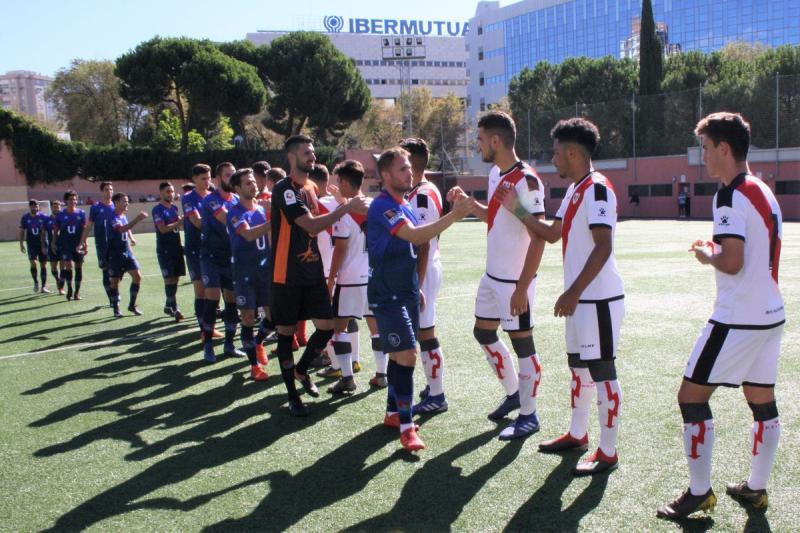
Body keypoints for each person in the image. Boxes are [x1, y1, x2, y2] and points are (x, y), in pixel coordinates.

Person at [657, 113, 784, 519]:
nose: (703, 156)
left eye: (706, 148)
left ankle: (699, 492)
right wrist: (716, 250)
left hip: (737, 318)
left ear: (724, 149)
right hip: (771, 315)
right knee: (762, 402)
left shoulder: (728, 194)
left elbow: (732, 262)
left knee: (690, 397)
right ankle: (756, 489)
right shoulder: (762, 189)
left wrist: (706, 255)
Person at [499, 117, 625, 474]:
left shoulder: (598, 189)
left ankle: (608, 452)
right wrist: (518, 209)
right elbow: (551, 234)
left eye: (556, 153)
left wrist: (573, 291)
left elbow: (603, 247)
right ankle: (577, 434)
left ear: (572, 153)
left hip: (598, 300)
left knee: (603, 371)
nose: (552, 159)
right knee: (578, 368)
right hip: (581, 300)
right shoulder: (575, 190)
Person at [368, 147, 474, 451]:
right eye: (402, 169)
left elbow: (419, 245)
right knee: (408, 355)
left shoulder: (405, 205)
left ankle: (393, 412)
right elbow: (415, 236)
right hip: (387, 294)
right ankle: (406, 427)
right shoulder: (383, 206)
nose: (410, 173)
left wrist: (418, 285)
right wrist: (454, 215)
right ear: (386, 175)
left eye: (410, 167)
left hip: (407, 292)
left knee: (398, 355)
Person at [270, 134, 368, 416]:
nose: (312, 156)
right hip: (286, 275)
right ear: (292, 156)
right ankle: (293, 396)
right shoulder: (285, 190)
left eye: (313, 152)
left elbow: (322, 224)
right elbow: (311, 226)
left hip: (312, 272)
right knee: (286, 335)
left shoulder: (311, 188)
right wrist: (346, 207)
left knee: (326, 328)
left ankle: (301, 370)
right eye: (306, 152)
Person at [467, 111, 547, 441]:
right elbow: (496, 216)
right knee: (483, 332)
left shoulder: (527, 180)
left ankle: (530, 415)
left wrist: (522, 287)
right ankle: (514, 393)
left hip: (515, 282)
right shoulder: (495, 174)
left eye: (481, 139)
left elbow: (540, 234)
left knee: (523, 345)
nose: (478, 145)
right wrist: (470, 206)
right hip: (492, 276)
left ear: (496, 141)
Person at [399, 137, 449, 414]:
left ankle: (437, 396)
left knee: (426, 332)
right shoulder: (417, 190)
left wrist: (417, 282)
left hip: (425, 268)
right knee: (423, 331)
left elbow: (425, 242)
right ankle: (433, 387)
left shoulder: (422, 195)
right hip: (422, 267)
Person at [323, 160, 381, 394]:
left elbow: (340, 249)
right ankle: (382, 374)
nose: (338, 186)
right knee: (375, 326)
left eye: (339, 181)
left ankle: (347, 378)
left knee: (339, 328)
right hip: (373, 276)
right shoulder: (376, 205)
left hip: (349, 279)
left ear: (346, 183)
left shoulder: (345, 211)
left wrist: (330, 280)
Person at [227, 168, 272, 381]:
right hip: (244, 272)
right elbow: (248, 234)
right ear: (237, 188)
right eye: (247, 183)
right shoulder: (234, 212)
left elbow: (269, 238)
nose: (253, 185)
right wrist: (275, 220)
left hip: (265, 271)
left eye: (253, 181)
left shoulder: (261, 209)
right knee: (247, 317)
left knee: (274, 318)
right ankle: (254, 366)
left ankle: (258, 342)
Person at [199, 162, 245, 362]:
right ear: (218, 179)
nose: (232, 179)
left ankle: (229, 344)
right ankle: (208, 346)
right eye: (228, 175)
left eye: (234, 175)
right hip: (211, 257)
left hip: (230, 257)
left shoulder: (236, 199)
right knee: (212, 298)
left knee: (232, 300)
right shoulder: (211, 200)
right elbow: (228, 219)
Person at [182, 165, 222, 338]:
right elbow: (196, 222)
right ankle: (204, 330)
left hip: (214, 249)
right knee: (201, 291)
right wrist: (219, 221)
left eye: (209, 178)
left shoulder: (213, 196)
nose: (207, 182)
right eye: (203, 178)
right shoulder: (188, 198)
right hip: (195, 249)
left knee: (213, 290)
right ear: (194, 179)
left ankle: (210, 327)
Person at [107, 193, 148, 317]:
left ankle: (132, 305)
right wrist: (137, 219)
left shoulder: (123, 216)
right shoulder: (111, 217)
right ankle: (116, 308)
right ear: (116, 203)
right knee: (115, 282)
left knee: (137, 277)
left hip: (127, 252)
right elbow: (121, 229)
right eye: (124, 201)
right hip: (115, 254)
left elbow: (127, 229)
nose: (127, 203)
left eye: (127, 201)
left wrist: (131, 238)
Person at [152, 182, 186, 321]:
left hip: (176, 248)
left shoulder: (174, 208)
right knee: (169, 279)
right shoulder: (157, 210)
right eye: (167, 191)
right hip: (165, 249)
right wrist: (179, 223)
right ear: (161, 193)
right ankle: (175, 308)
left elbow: (176, 228)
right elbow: (163, 229)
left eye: (172, 191)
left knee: (176, 278)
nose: (171, 194)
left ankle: (168, 305)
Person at [79, 181, 116, 307]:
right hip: (102, 245)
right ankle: (111, 298)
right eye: (106, 189)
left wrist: (130, 237)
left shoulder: (116, 206)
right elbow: (89, 225)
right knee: (106, 271)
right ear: (102, 191)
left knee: (116, 272)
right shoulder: (95, 207)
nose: (109, 192)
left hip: (115, 244)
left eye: (111, 189)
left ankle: (114, 293)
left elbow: (123, 223)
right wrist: (82, 242)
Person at [51, 190, 87, 301]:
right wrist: (53, 242)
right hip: (65, 245)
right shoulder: (60, 215)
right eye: (70, 199)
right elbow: (55, 231)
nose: (73, 201)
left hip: (78, 245)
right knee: (68, 266)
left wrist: (85, 243)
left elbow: (84, 230)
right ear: (66, 201)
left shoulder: (81, 213)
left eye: (74, 199)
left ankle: (77, 292)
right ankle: (70, 288)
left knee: (78, 267)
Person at [19, 199, 49, 293]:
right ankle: (36, 282)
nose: (34, 208)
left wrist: (45, 244)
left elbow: (47, 230)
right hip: (31, 244)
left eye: (36, 206)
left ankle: (43, 286)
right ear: (30, 207)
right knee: (33, 263)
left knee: (43, 264)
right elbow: (22, 231)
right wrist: (21, 244)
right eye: (32, 206)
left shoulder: (44, 217)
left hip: (43, 243)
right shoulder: (25, 217)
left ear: (38, 207)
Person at [44, 200, 64, 294]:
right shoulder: (47, 219)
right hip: (51, 246)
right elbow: (43, 233)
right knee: (53, 268)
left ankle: (61, 287)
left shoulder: (64, 218)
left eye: (58, 207)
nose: (56, 208)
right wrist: (43, 245)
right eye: (54, 207)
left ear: (60, 208)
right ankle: (57, 280)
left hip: (63, 246)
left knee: (63, 267)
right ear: (51, 208)